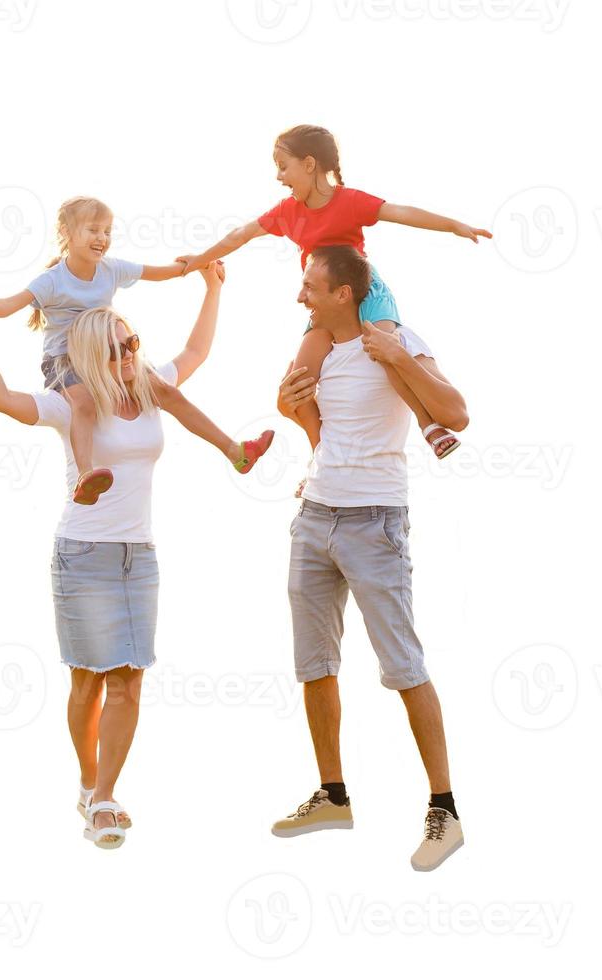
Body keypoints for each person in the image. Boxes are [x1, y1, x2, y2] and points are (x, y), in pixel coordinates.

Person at [0, 259, 231, 849]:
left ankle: (106, 797)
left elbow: (196, 350)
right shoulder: (72, 406)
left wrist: (210, 288)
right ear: (88, 357)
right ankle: (87, 784)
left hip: (140, 556)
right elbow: (2, 400)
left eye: (131, 342)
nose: (127, 355)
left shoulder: (153, 389)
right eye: (114, 350)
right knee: (87, 683)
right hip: (83, 556)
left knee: (130, 681)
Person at [269, 244, 469, 872]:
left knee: (404, 666)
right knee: (314, 663)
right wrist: (288, 404)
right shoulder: (319, 350)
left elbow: (457, 413)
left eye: (311, 287)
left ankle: (446, 811)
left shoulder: (398, 338)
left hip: (376, 524)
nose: (302, 297)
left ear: (344, 294)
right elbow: (309, 420)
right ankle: (332, 796)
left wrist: (399, 357)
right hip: (315, 518)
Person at [175, 123, 490, 460]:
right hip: (324, 303)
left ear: (309, 164)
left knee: (384, 351)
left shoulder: (349, 201)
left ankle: (428, 426)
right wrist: (199, 260)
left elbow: (400, 212)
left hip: (367, 292)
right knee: (299, 380)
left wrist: (454, 225)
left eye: (284, 166)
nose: (279, 177)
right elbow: (240, 235)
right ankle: (318, 456)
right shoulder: (287, 212)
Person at [0, 195, 272, 505]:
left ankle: (235, 451)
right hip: (65, 361)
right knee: (82, 405)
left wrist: (198, 264)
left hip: (98, 355)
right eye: (93, 230)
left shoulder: (111, 269)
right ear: (67, 234)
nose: (102, 238)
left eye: (107, 231)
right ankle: (86, 475)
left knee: (168, 392)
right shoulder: (51, 281)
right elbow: (10, 304)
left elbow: (160, 273)